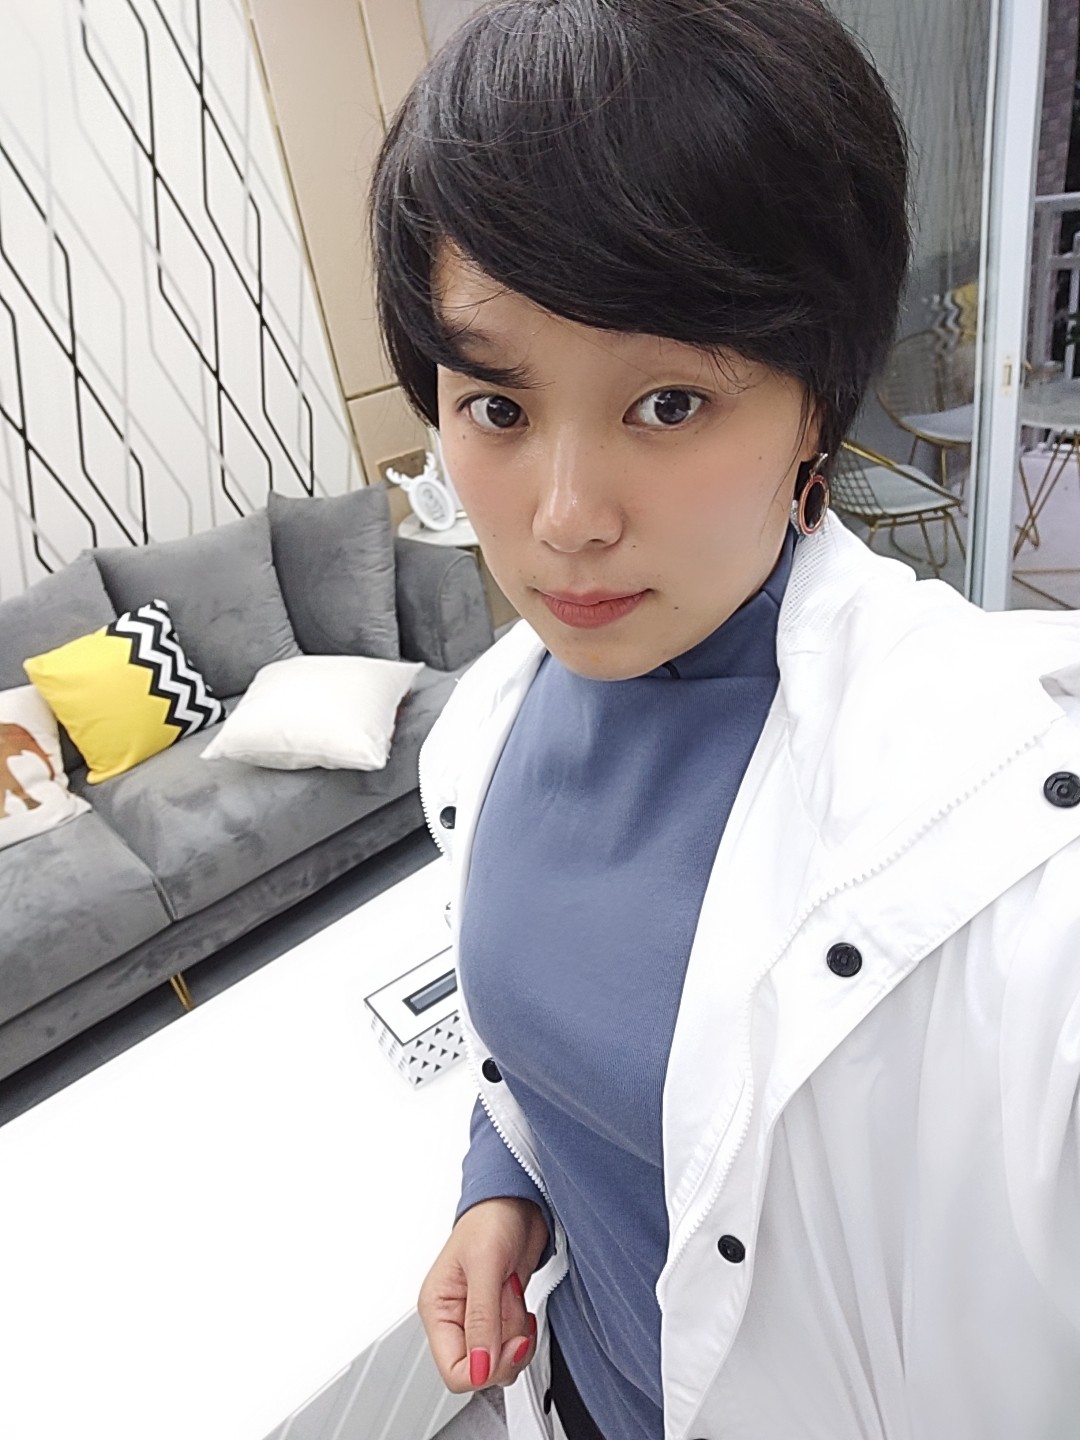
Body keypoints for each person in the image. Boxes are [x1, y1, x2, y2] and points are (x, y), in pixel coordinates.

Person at [367, 2, 1080, 1436]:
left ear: (816, 405)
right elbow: (554, 1056)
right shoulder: (494, 724)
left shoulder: (1007, 844)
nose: (566, 519)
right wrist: (505, 1185)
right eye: (497, 406)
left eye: (671, 402)